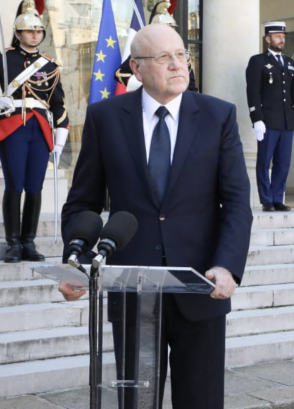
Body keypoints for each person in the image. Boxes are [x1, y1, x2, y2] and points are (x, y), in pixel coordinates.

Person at [59, 24, 253, 408]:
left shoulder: (218, 116)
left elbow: (236, 202)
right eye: (164, 57)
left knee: (200, 401)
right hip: (133, 290)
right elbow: (82, 202)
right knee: (137, 402)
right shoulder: (105, 118)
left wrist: (227, 266)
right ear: (137, 67)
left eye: (181, 54)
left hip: (201, 286)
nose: (178, 64)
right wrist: (75, 261)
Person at [0, 0, 69, 263]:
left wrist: (59, 141)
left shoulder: (50, 65)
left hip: (40, 129)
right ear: (19, 32)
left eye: (38, 31)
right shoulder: (3, 58)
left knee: (36, 186)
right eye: (29, 31)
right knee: (16, 185)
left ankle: (29, 242)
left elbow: (59, 104)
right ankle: (13, 243)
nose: (35, 35)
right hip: (12, 126)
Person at [245, 21, 294, 212]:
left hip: (287, 121)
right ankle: (266, 199)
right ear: (267, 38)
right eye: (278, 36)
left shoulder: (289, 63)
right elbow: (253, 92)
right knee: (264, 161)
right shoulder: (258, 61)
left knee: (283, 163)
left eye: (283, 37)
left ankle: (278, 197)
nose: (281, 40)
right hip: (268, 121)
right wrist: (257, 119)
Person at [114, 0, 198, 93]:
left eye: (171, 28)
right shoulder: (144, 51)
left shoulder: (183, 54)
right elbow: (120, 74)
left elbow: (191, 86)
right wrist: (150, 84)